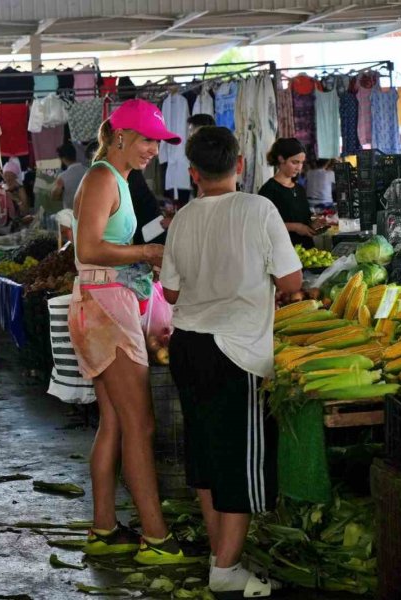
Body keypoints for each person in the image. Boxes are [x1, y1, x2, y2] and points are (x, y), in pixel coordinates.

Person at [161, 126, 301, 598]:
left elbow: (171, 291)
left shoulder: (180, 219)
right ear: (241, 165)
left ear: (194, 173)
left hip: (187, 346)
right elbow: (289, 282)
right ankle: (226, 568)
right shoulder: (259, 209)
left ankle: (221, 553)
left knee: (204, 451)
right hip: (236, 351)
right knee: (239, 459)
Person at [68, 99, 199, 564]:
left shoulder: (116, 177)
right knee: (140, 425)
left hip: (104, 305)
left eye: (157, 143)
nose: (152, 151)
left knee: (116, 423)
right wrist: (146, 253)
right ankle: (157, 538)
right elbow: (87, 247)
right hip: (105, 308)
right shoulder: (103, 177)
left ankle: (104, 528)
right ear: (121, 136)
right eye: (147, 140)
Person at [259, 138, 319, 248]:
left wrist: (314, 223)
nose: (299, 167)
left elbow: (305, 217)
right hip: (283, 251)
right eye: (295, 162)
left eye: (301, 163)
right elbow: (263, 224)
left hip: (307, 250)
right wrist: (295, 227)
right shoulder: (269, 190)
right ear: (281, 159)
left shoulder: (299, 189)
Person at [187, 114, 217, 199]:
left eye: (194, 132)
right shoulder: (195, 154)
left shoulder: (217, 156)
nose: (190, 136)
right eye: (190, 132)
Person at [50, 143, 87, 210]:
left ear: (62, 159)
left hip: (71, 214)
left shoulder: (62, 176)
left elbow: (54, 196)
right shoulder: (88, 171)